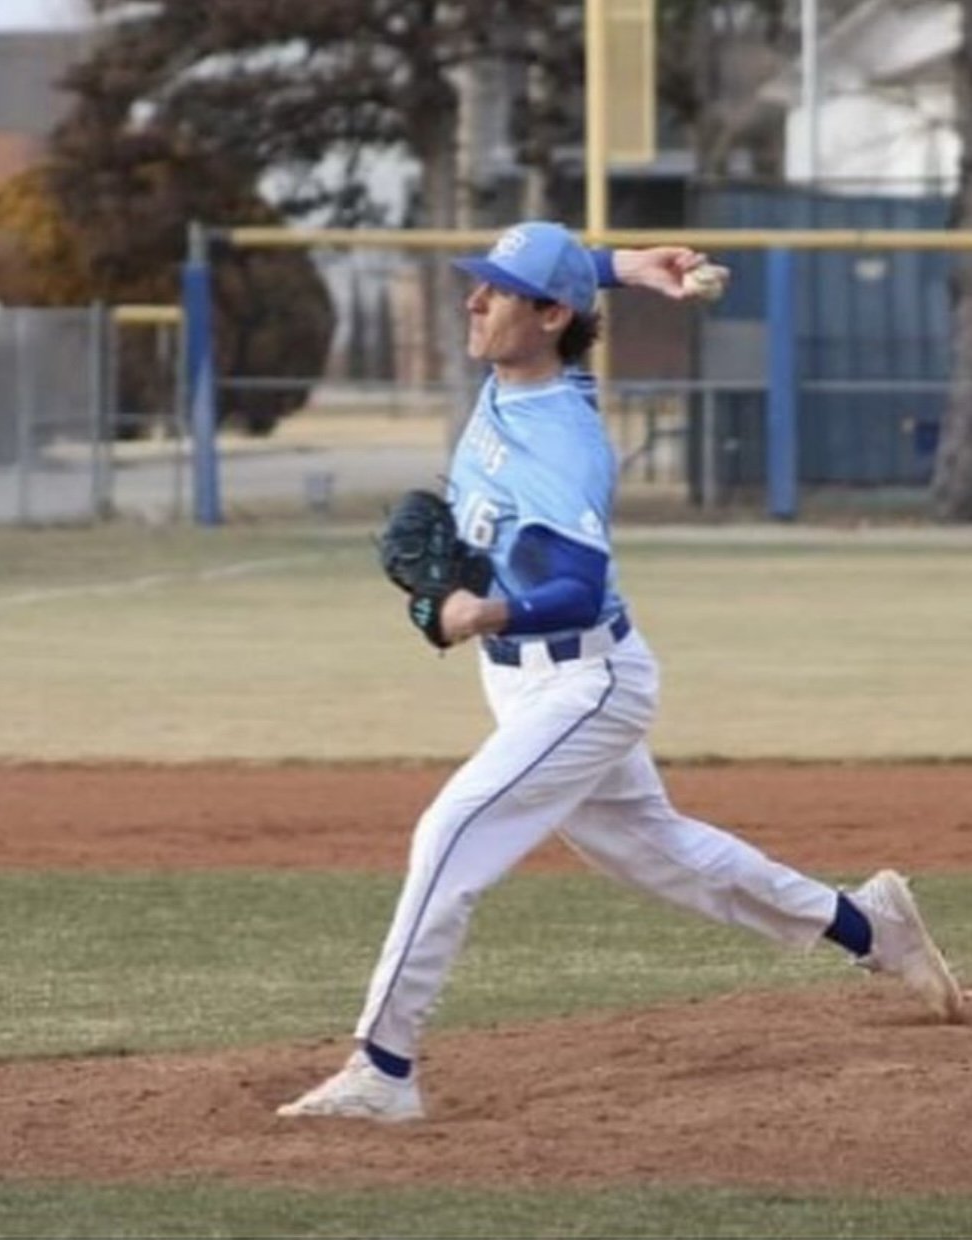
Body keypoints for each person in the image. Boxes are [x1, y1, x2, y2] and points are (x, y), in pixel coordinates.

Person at [277, 221, 966, 1123]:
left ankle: (384, 1069)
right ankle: (868, 927)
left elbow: (575, 585)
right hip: (527, 681)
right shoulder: (517, 371)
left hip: (582, 684)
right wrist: (624, 267)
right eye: (479, 283)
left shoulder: (565, 438)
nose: (473, 300)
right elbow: (560, 281)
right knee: (665, 854)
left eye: (495, 290)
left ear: (551, 316)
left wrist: (480, 610)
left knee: (451, 834)